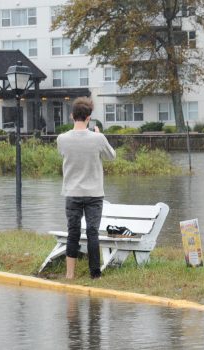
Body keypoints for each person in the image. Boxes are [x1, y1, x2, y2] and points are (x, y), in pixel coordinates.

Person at [57, 97, 116, 279]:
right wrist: (98, 134)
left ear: (72, 115)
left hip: (72, 192)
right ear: (89, 117)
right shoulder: (98, 138)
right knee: (92, 232)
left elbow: (64, 154)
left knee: (72, 232)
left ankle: (70, 274)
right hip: (94, 193)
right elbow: (111, 156)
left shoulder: (62, 139)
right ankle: (95, 273)